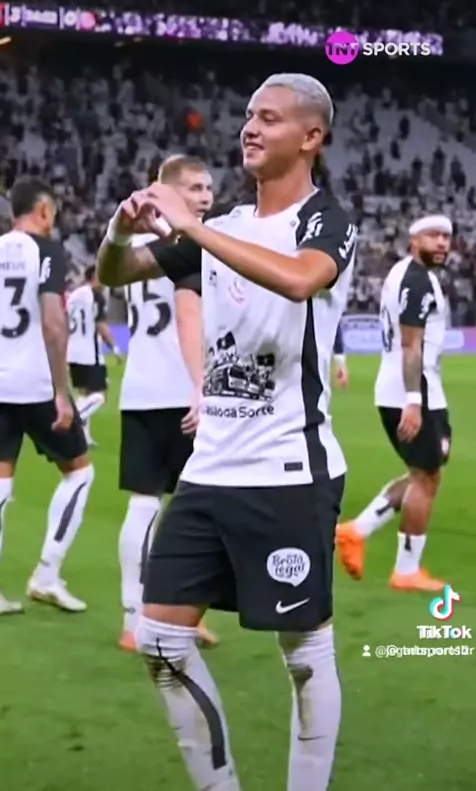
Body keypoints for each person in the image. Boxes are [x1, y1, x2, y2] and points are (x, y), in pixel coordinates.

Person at [98, 73, 357, 791]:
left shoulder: (326, 219)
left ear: (311, 136)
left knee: (303, 654)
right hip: (209, 470)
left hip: (289, 472)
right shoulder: (229, 226)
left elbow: (301, 279)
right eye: (248, 115)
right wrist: (119, 229)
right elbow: (118, 272)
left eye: (269, 118)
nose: (250, 127)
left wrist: (192, 227)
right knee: (160, 639)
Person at [118, 154, 218, 651]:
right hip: (182, 390)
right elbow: (187, 314)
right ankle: (170, 614)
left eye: (208, 188)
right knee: (193, 510)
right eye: (196, 188)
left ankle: (135, 617)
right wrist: (201, 388)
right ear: (170, 192)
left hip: (139, 386)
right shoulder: (191, 245)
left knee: (147, 503)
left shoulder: (138, 247)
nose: (207, 197)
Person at [336, 215, 452, 591]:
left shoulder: (405, 274)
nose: (442, 243)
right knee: (426, 479)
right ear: (414, 239)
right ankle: (406, 570)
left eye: (446, 237)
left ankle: (356, 530)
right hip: (412, 390)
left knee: (425, 474)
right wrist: (414, 401)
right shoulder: (416, 281)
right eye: (433, 236)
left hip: (408, 387)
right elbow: (410, 345)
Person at [0, 177, 94, 614]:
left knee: (1, 483)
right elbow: (54, 323)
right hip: (36, 383)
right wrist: (61, 391)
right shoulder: (47, 251)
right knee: (79, 472)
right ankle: (47, 574)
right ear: (43, 211)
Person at [67, 265, 121, 447]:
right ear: (94, 277)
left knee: (85, 393)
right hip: (90, 353)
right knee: (100, 395)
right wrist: (114, 348)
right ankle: (74, 420)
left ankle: (84, 437)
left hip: (73, 352)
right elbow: (101, 325)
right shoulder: (95, 296)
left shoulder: (75, 295)